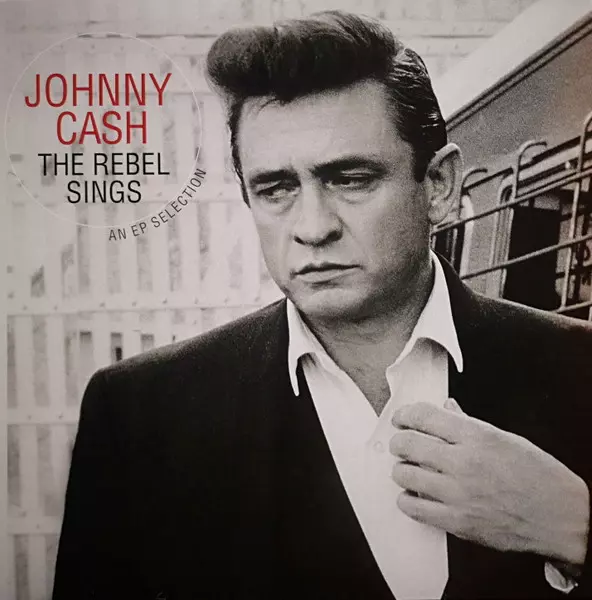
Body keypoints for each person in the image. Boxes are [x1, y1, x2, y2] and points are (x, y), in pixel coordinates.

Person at [52, 10, 592, 600]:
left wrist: (576, 528)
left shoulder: (579, 370)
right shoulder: (139, 417)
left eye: (351, 179)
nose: (312, 227)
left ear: (439, 185)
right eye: (276, 189)